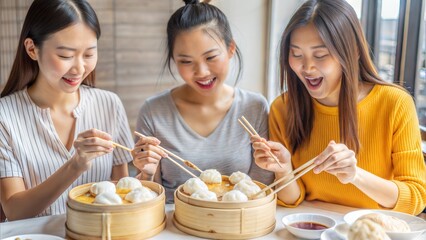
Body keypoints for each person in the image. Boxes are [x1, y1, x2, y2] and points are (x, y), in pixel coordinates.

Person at [251, 0, 426, 215]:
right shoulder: (283, 108)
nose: (307, 67)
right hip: (310, 228)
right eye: (296, 54)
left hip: (371, 230)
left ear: (352, 52)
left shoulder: (395, 103)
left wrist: (355, 175)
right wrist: (284, 169)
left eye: (320, 55)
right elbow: (292, 200)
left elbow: (415, 198)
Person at [0, 0, 133, 220]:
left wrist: (146, 172)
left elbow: (121, 192)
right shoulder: (5, 116)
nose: (79, 68)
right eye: (65, 56)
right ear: (32, 49)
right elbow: (14, 211)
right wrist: (75, 165)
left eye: (89, 54)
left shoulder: (109, 104)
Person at [133, 0, 274, 202]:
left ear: (231, 48)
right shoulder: (153, 111)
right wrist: (146, 173)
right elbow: (151, 196)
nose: (201, 72)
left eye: (210, 57)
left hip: (237, 224)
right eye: (186, 61)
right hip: (175, 227)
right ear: (173, 59)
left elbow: (260, 190)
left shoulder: (254, 107)